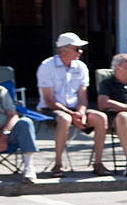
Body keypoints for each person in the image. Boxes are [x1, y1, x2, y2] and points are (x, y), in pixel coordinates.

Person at [36, 31, 108, 176]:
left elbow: (82, 97)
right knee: (64, 119)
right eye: (77, 49)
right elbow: (49, 101)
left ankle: (98, 163)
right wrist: (72, 114)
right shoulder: (46, 66)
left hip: (74, 109)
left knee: (101, 118)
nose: (80, 52)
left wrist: (80, 112)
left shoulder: (81, 67)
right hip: (52, 110)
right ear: (63, 50)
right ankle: (58, 165)